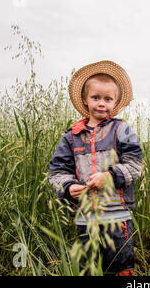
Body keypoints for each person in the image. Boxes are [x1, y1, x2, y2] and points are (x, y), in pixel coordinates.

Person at [49, 60, 143, 276]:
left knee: (120, 266)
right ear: (85, 99)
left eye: (108, 99)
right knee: (91, 267)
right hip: (85, 216)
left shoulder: (122, 130)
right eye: (96, 98)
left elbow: (135, 166)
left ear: (116, 102)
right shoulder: (71, 136)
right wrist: (68, 187)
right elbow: (57, 172)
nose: (102, 103)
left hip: (117, 216)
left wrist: (108, 177)